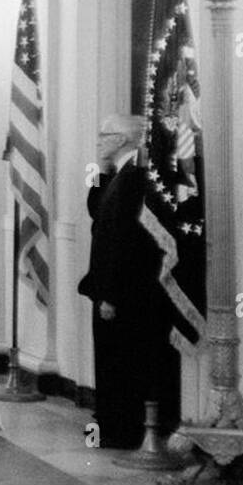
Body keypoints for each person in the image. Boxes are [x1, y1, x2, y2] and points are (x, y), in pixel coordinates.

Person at [78, 114, 178, 449]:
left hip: (120, 289)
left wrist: (110, 294)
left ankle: (121, 430)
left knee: (119, 363)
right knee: (108, 360)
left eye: (103, 135)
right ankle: (108, 426)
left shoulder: (135, 179)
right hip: (106, 284)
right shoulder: (118, 176)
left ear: (121, 140)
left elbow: (121, 240)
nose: (98, 140)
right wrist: (97, 172)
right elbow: (96, 211)